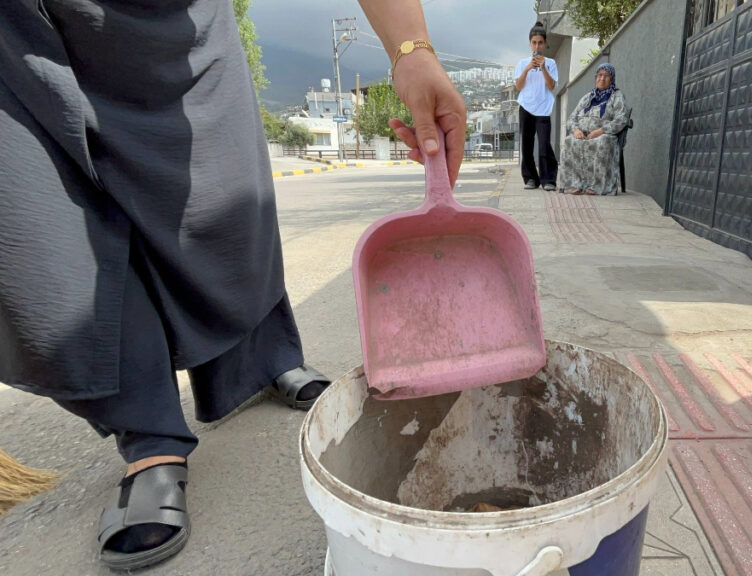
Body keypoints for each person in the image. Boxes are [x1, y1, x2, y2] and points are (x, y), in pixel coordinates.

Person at [0, 0, 464, 570]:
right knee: (52, 233)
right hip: (15, 38)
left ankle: (261, 358)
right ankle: (148, 438)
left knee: (222, 205)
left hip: (167, 27)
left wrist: (412, 50)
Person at [558, 63, 629, 196]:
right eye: (599, 75)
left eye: (606, 76)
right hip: (583, 135)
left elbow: (621, 119)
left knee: (602, 142)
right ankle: (575, 184)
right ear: (596, 77)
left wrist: (601, 131)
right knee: (569, 141)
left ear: (612, 79)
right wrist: (576, 130)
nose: (602, 78)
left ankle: (598, 186)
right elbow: (572, 118)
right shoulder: (588, 97)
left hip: (604, 135)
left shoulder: (617, 96)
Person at [515, 21, 559, 191]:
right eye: (534, 42)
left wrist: (543, 68)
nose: (537, 46)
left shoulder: (551, 63)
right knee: (526, 145)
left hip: (543, 109)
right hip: (526, 107)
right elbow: (519, 86)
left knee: (544, 145)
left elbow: (552, 86)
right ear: (530, 43)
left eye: (540, 42)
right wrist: (527, 69)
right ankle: (530, 179)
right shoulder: (522, 63)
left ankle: (549, 180)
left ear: (545, 43)